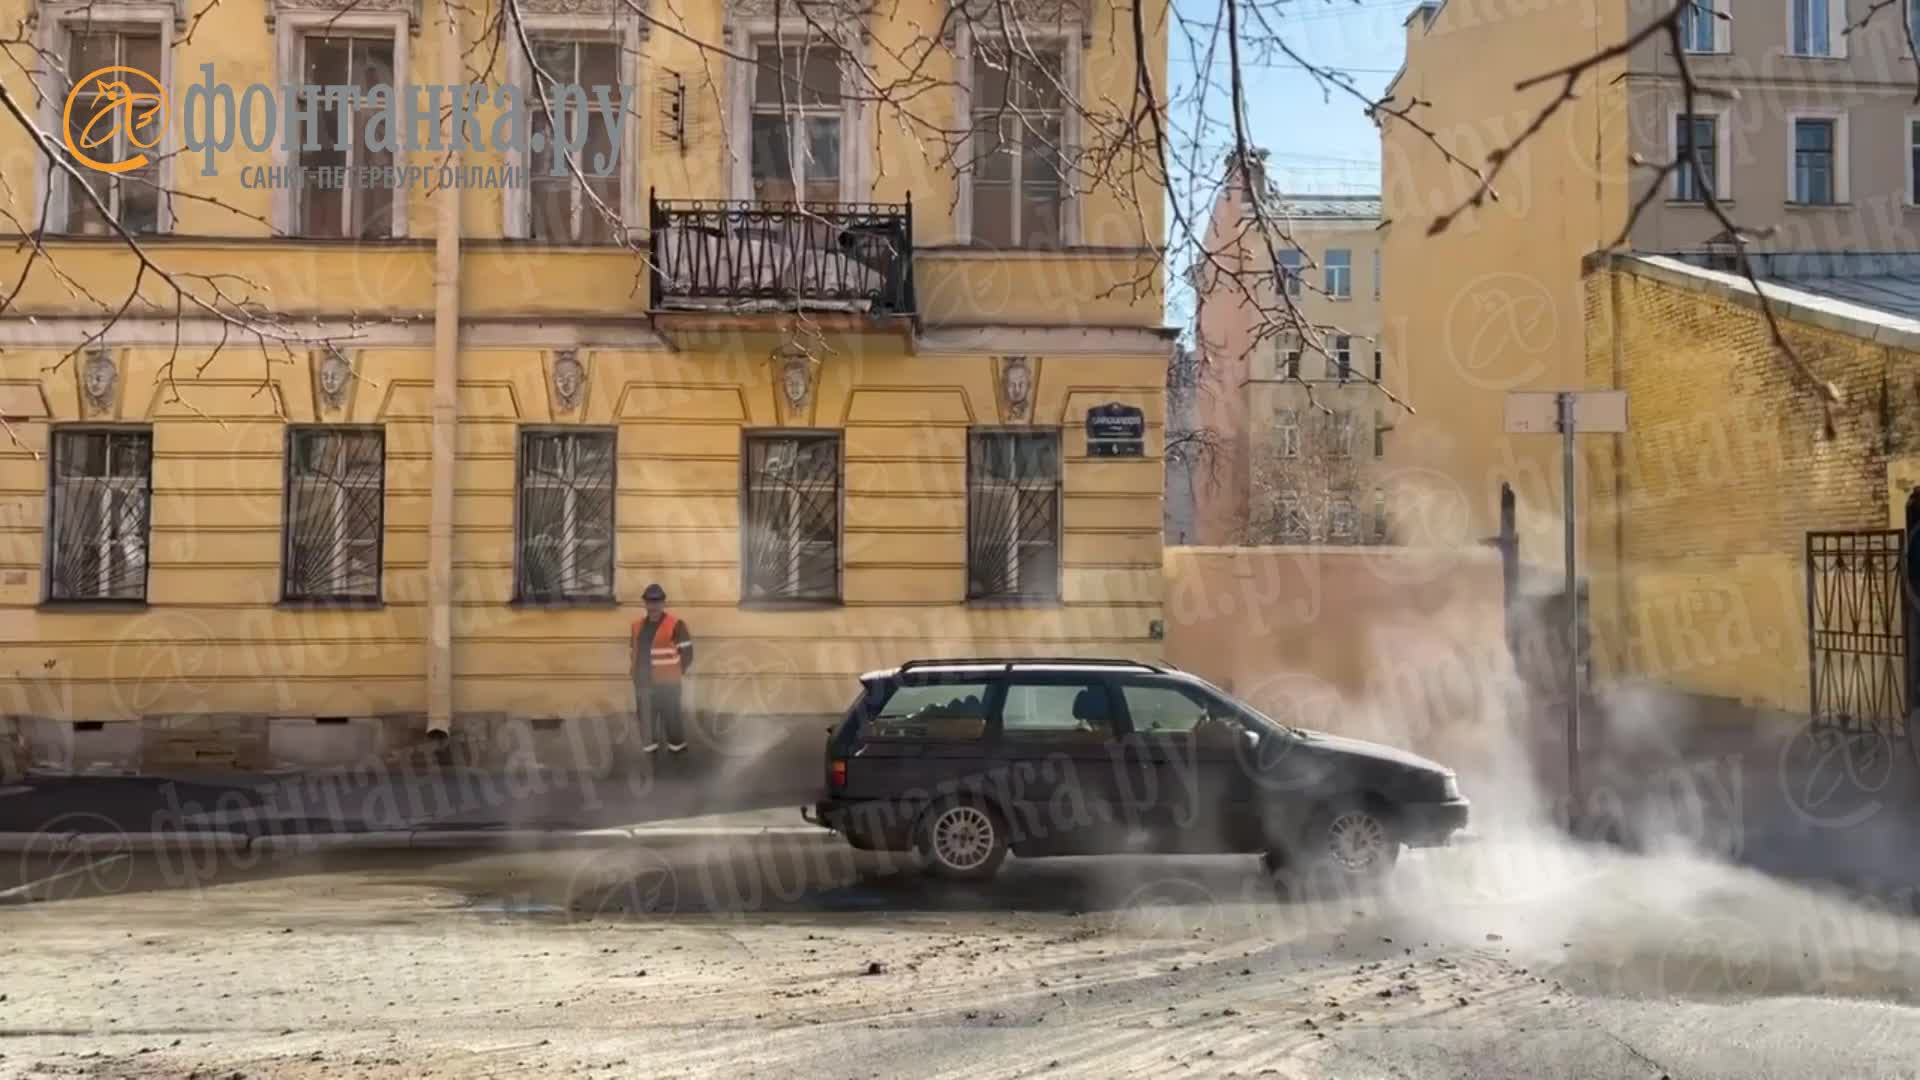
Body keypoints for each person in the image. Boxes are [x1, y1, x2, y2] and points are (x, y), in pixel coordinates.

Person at [629, 583, 693, 753]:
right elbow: (633, 650)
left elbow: (687, 652)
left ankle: (677, 750)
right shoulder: (636, 626)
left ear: (663, 603)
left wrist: (677, 672)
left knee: (672, 718)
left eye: (657, 601)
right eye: (650, 601)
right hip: (643, 682)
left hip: (668, 683)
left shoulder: (676, 624)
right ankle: (650, 749)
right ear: (645, 603)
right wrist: (635, 674)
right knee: (645, 718)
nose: (653, 605)